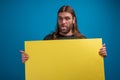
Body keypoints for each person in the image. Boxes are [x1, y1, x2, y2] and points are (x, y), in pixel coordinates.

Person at [20, 5, 107, 63]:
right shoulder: (48, 39)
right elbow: (42, 62)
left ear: (73, 20)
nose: (63, 22)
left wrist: (100, 55)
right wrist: (28, 59)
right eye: (60, 18)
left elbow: (88, 63)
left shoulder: (82, 40)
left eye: (67, 18)